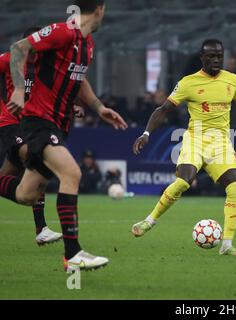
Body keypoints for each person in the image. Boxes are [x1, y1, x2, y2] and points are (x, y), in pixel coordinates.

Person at [0, 0, 128, 272]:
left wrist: (98, 107)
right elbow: (18, 48)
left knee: (26, 195)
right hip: (38, 122)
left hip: (58, 125)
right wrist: (20, 90)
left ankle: (72, 254)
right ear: (100, 9)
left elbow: (78, 79)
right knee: (72, 173)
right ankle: (73, 255)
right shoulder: (62, 32)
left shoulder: (88, 44)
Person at [131, 39, 236, 256]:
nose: (215, 60)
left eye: (219, 56)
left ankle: (227, 244)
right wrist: (147, 133)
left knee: (235, 187)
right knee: (183, 181)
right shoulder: (188, 83)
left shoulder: (233, 81)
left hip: (220, 142)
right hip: (195, 140)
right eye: (211, 56)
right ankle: (150, 220)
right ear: (201, 57)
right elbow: (164, 109)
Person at [0, 27, 62, 245]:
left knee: (6, 175)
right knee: (35, 157)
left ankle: (41, 229)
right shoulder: (10, 59)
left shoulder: (42, 66)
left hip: (29, 125)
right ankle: (41, 228)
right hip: (10, 123)